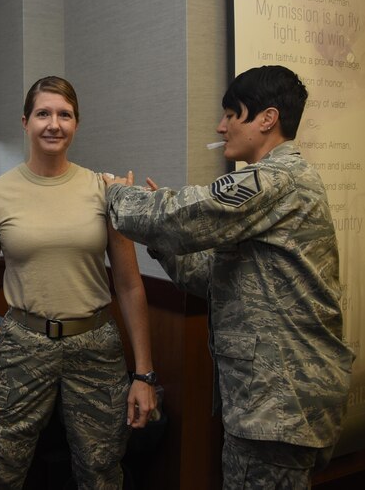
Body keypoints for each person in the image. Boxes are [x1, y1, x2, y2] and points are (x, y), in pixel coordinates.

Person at [103, 65, 354, 488]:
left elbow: (181, 218)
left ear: (266, 119)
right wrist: (161, 240)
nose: (220, 128)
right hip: (270, 404)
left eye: (229, 115)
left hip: (280, 404)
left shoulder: (275, 180)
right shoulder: (273, 189)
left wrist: (116, 194)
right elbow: (211, 277)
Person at [0, 76, 157, 489]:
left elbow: (129, 286)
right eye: (43, 113)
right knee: (2, 463)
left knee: (102, 467)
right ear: (25, 122)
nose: (53, 124)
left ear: (76, 123)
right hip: (21, 343)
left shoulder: (105, 191)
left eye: (64, 114)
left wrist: (143, 375)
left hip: (95, 346)